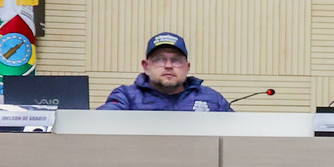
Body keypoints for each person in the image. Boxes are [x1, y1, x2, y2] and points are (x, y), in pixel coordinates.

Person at [98, 33, 233, 111]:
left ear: (187, 67)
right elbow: (100, 127)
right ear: (146, 66)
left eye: (176, 60)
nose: (168, 66)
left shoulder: (212, 99)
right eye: (159, 59)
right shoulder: (126, 97)